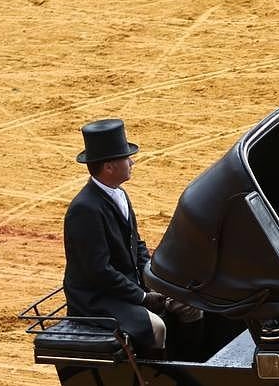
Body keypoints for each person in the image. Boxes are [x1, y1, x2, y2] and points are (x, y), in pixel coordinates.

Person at [63, 119, 200, 355]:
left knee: (190, 305)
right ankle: (161, 379)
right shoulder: (84, 210)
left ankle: (191, 364)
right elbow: (99, 271)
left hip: (126, 288)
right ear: (109, 167)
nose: (132, 162)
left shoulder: (119, 194)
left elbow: (136, 244)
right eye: (126, 158)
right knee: (156, 327)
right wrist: (143, 297)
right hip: (98, 300)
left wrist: (154, 279)